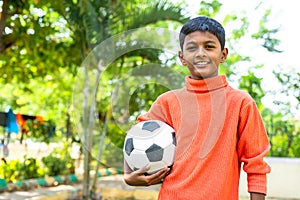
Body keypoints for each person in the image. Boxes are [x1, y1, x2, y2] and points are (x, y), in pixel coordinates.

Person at [123, 16, 271, 200]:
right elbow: (136, 136)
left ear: (223, 54)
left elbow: (256, 164)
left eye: (209, 46)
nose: (200, 53)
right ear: (182, 57)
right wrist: (129, 176)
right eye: (192, 48)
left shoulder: (241, 103)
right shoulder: (167, 102)